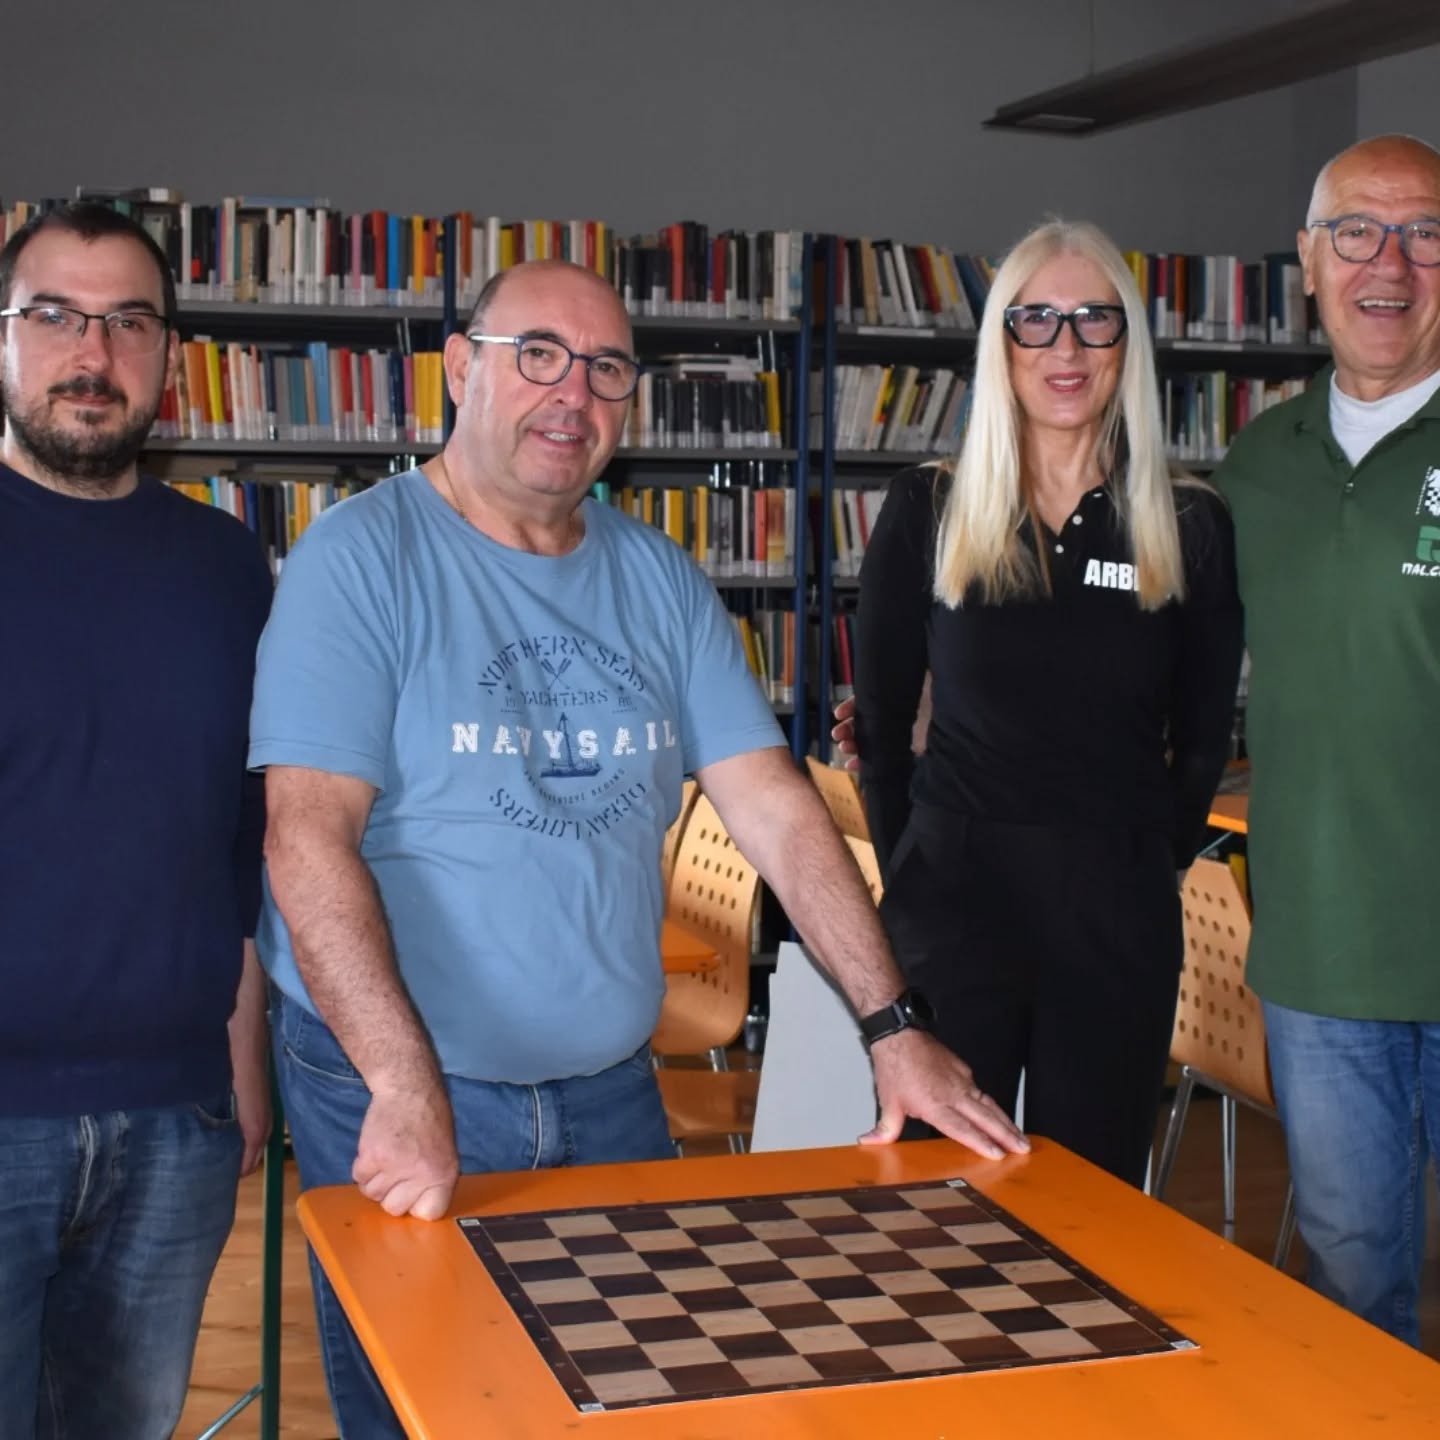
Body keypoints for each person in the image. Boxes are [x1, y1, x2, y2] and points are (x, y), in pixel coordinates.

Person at [249, 257, 1028, 1438]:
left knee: (626, 1408)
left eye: (608, 368)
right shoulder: (358, 561)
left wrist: (893, 1026)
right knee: (431, 1411)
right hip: (409, 1084)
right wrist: (402, 1082)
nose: (575, 392)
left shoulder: (657, 578)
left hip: (611, 1088)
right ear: (462, 370)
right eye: (539, 356)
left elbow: (774, 806)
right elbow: (306, 841)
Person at [835, 218, 1244, 1190]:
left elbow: (1201, 739)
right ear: (1001, 341)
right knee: (934, 1193)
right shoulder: (929, 508)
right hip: (955, 901)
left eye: (1094, 321)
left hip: (1114, 911)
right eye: (1038, 320)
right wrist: (913, 872)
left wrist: (1144, 855)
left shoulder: (1188, 523)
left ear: (1127, 346)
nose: (1066, 348)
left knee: (1094, 1201)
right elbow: (882, 725)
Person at [0, 203, 272, 1437]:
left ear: (171, 355)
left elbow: (242, 840)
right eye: (53, 314)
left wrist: (244, 1060)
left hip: (177, 1119)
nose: (91, 354)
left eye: (127, 322)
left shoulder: (228, 568)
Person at [1214, 134, 1440, 1347]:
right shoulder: (1254, 466)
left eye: (1426, 232)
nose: (1390, 262)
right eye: (1358, 230)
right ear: (1308, 260)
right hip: (1322, 968)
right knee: (1356, 1311)